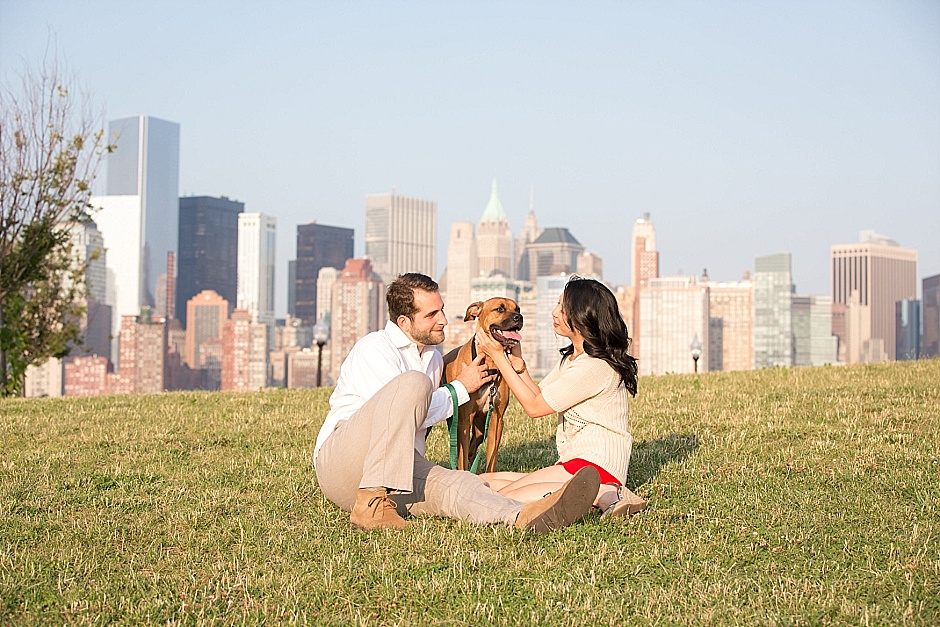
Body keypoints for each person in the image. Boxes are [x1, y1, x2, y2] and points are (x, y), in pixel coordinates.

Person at [313, 273, 599, 532]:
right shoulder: (375, 349)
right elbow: (404, 415)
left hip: (400, 473)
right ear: (404, 322)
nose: (444, 320)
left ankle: (524, 515)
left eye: (443, 310)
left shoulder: (434, 359)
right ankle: (368, 507)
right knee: (415, 383)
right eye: (432, 314)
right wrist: (461, 387)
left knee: (461, 483)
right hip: (344, 466)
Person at [475, 276, 647, 519]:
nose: (554, 312)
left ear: (581, 317)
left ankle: (605, 494)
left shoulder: (594, 366)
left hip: (596, 468)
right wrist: (519, 364)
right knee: (483, 483)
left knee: (500, 497)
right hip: (573, 464)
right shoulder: (574, 359)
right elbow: (541, 395)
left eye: (562, 308)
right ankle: (589, 494)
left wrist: (499, 358)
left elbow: (534, 407)